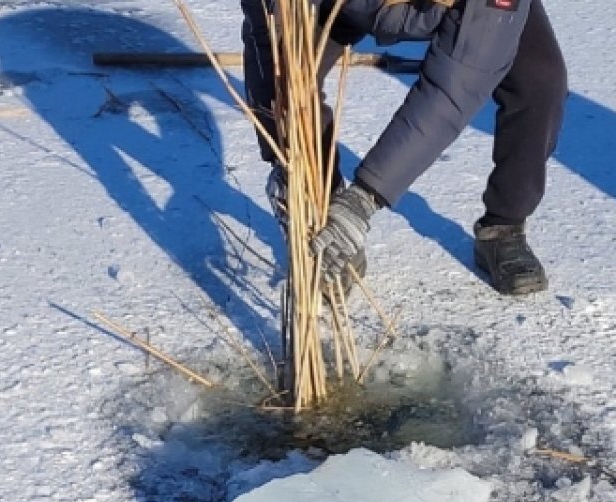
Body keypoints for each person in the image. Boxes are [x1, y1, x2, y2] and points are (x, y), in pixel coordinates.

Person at [240, 0, 567, 296]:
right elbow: (269, 50)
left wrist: (363, 199)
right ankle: (325, 219)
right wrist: (288, 161)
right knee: (288, 82)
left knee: (540, 80)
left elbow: (456, 86)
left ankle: (503, 225)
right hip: (338, 6)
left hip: (473, 15)